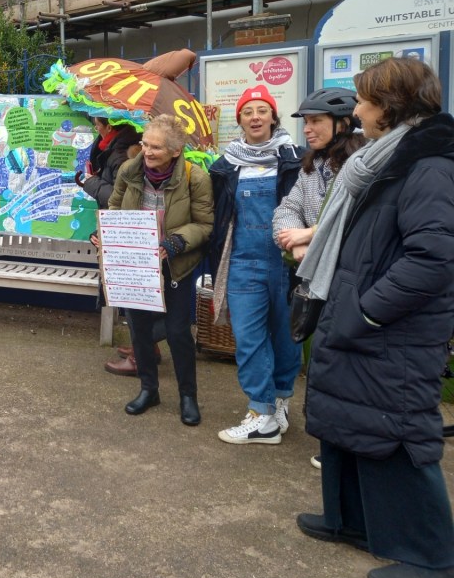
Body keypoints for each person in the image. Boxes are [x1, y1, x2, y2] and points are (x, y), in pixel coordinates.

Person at [295, 58, 454, 578]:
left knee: (398, 431)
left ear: (389, 107)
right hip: (362, 319)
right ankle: (353, 521)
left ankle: (435, 557)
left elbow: (433, 260)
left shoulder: (428, 167)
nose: (356, 110)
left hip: (392, 331)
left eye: (363, 101)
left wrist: (366, 311)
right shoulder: (386, 159)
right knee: (350, 421)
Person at [271, 87, 365, 468]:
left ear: (342, 123)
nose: (307, 129)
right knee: (322, 362)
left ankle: (347, 445)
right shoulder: (312, 166)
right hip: (315, 280)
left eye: (316, 121)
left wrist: (310, 236)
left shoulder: (360, 163)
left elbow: (353, 218)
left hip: (350, 281)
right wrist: (294, 243)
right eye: (306, 122)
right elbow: (286, 209)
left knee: (346, 364)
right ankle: (333, 442)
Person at [208, 85, 304, 445]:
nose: (255, 117)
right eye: (248, 112)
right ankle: (260, 412)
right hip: (243, 262)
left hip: (287, 264)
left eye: (262, 110)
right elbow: (217, 217)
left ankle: (280, 401)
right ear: (240, 120)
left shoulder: (297, 159)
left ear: (273, 117)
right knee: (248, 338)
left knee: (287, 337)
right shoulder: (225, 166)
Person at [105, 114, 213, 425]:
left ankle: (188, 396)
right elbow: (114, 208)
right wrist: (105, 234)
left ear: (175, 151)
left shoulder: (195, 178)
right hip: (137, 265)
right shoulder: (129, 170)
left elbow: (205, 224)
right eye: (145, 144)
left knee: (178, 332)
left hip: (175, 264)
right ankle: (148, 390)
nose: (147, 152)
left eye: (156, 147)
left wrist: (177, 241)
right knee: (138, 329)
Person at [75, 117, 162, 376]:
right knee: (135, 294)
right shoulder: (114, 147)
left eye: (97, 124)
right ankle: (146, 348)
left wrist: (91, 183)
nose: (96, 128)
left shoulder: (122, 154)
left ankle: (141, 355)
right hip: (126, 230)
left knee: (136, 294)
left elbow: (121, 198)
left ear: (110, 126)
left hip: (132, 234)